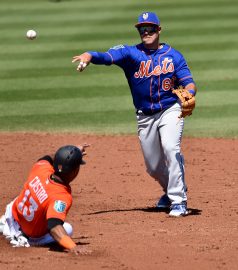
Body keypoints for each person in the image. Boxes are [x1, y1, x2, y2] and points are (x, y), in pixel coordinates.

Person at [72, 11, 197, 217]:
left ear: (159, 30)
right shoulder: (130, 54)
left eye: (150, 28)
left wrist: (190, 92)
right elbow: (106, 56)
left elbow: (188, 81)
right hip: (145, 115)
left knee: (170, 147)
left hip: (170, 109)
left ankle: (178, 201)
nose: (145, 32)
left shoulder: (174, 56)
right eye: (142, 29)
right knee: (153, 167)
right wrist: (90, 55)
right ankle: (170, 190)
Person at [0, 144, 90, 254]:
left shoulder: (41, 167)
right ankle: (22, 238)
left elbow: (49, 157)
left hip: (13, 213)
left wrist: (71, 152)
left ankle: (5, 223)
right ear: (74, 172)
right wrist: (73, 247)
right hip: (28, 234)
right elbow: (53, 226)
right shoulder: (62, 197)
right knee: (68, 229)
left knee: (29, 190)